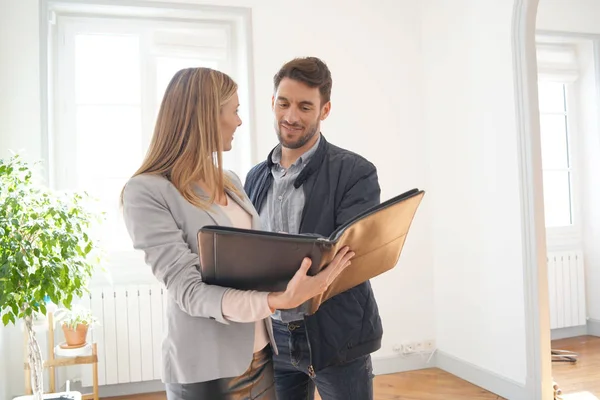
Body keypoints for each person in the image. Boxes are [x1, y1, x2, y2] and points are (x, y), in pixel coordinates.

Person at [120, 67, 355, 400]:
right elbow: (189, 292)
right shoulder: (147, 191)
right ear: (206, 117)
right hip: (209, 370)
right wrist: (280, 300)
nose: (240, 121)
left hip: (261, 356)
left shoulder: (229, 180)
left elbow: (255, 260)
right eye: (235, 111)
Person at [244, 57, 383, 400]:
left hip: (337, 337)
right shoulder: (254, 178)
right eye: (284, 103)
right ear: (272, 102)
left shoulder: (356, 172)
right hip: (273, 339)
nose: (291, 116)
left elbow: (350, 257)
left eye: (305, 106)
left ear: (325, 110)